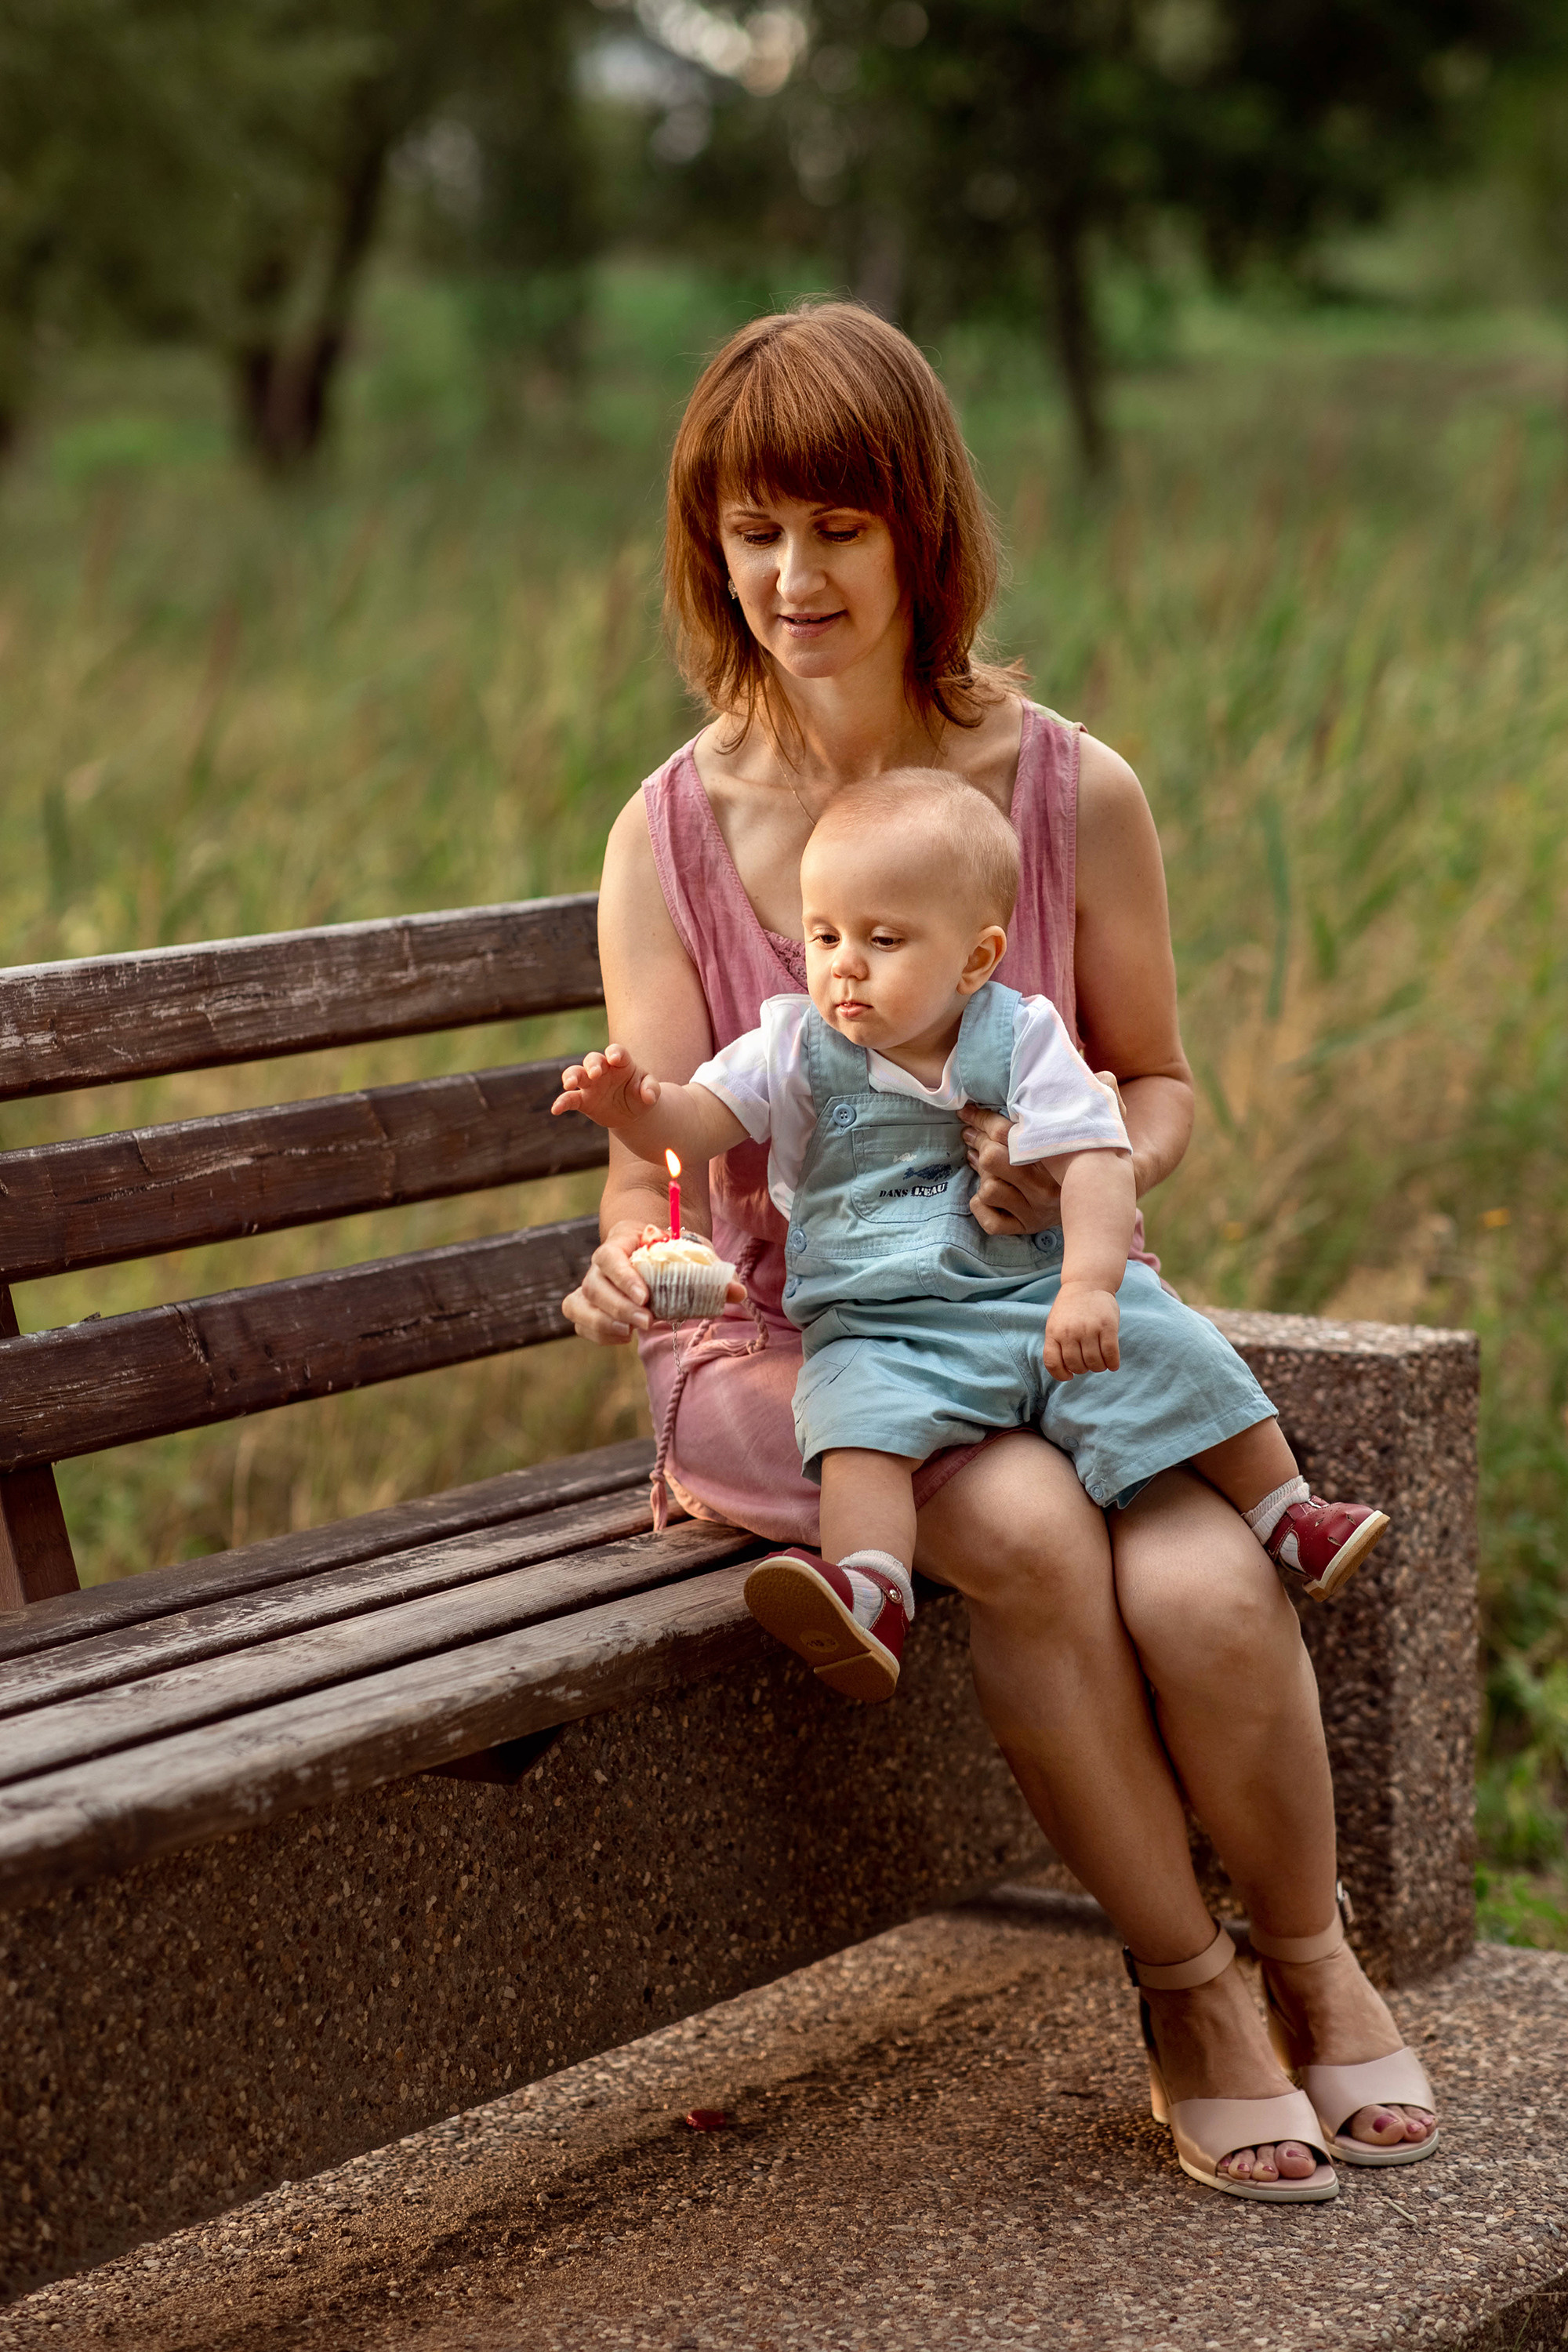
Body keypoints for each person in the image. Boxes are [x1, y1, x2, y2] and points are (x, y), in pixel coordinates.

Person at [561, 300, 1437, 2198]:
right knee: (1031, 1530)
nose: (792, 577)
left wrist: (1082, 1179)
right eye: (750, 530)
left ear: (920, 532)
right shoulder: (667, 833)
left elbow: (1159, 1081)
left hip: (1026, 1305)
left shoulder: (1065, 792)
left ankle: (1317, 1957)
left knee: (1207, 1592)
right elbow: (656, 1158)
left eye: (837, 528)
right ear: (707, 546)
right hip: (801, 1355)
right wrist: (634, 1249)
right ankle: (1190, 1990)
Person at [555, 768, 1389, 1704]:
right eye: (822, 935)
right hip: (883, 1324)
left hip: (1032, 1293)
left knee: (1165, 1345)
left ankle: (1287, 1511)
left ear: (974, 958)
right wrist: (635, 1108)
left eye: (882, 939)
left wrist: (1086, 1286)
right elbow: (697, 1123)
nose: (843, 966)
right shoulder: (789, 1045)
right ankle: (870, 1589)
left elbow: (1098, 1161)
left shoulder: (1020, 1036)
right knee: (855, 1426)